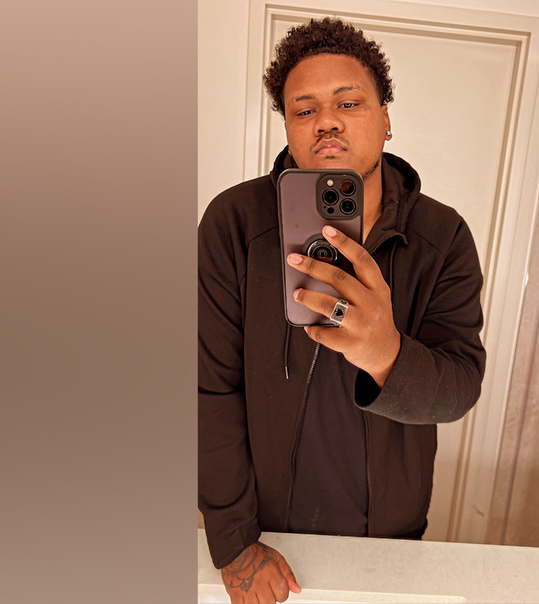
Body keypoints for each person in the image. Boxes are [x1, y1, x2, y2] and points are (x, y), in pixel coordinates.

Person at [198, 17, 486, 604]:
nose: (326, 121)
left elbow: (459, 389)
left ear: (385, 117)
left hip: (390, 537)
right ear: (288, 128)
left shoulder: (443, 236)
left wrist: (387, 354)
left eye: (348, 102)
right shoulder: (235, 223)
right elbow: (207, 389)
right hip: (264, 533)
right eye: (303, 109)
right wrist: (234, 543)